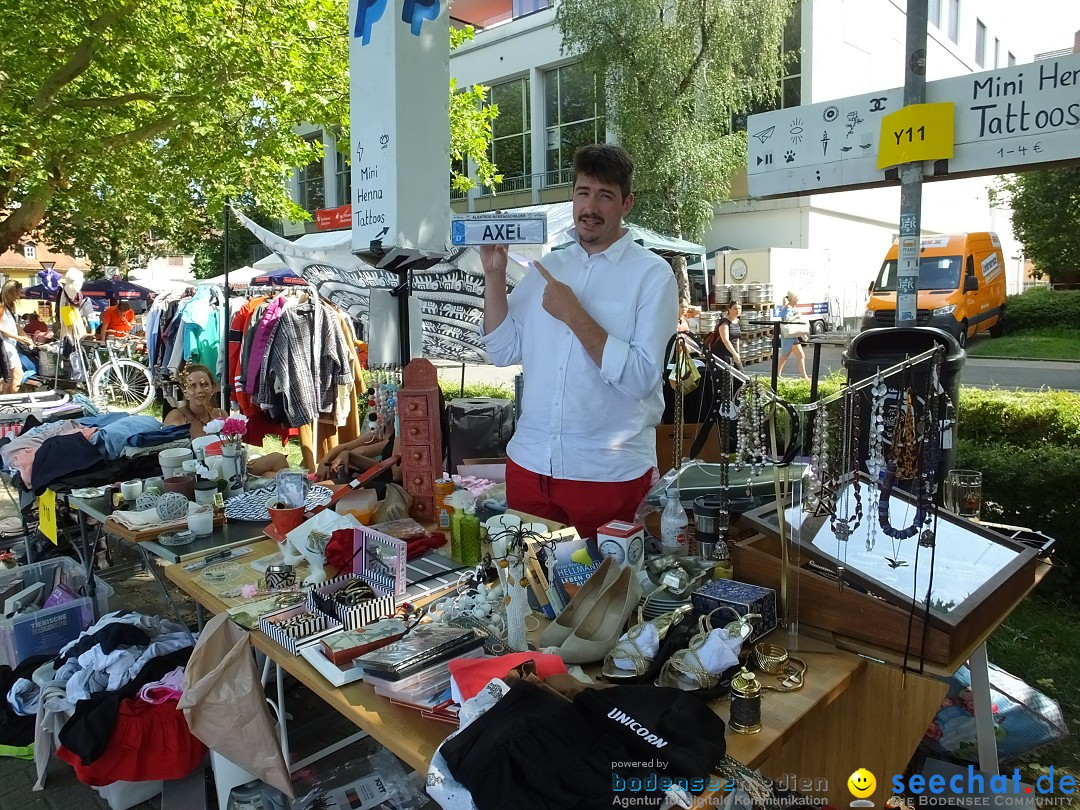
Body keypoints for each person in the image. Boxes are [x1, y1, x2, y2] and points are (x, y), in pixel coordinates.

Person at [479, 143, 678, 541]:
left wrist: (574, 314)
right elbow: (501, 350)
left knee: (605, 595)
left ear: (626, 204)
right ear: (572, 196)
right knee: (529, 592)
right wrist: (495, 275)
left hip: (606, 473)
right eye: (583, 192)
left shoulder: (652, 275)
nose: (591, 206)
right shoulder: (548, 267)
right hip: (530, 464)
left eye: (605, 196)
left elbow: (642, 379)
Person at [163, 363, 289, 475]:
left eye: (204, 385)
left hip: (231, 467)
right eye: (193, 386)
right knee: (271, 477)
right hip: (199, 474)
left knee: (278, 460)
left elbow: (234, 446)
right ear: (185, 392)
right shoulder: (177, 417)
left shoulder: (220, 414)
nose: (199, 390)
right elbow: (170, 459)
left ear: (213, 388)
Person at [0, 281, 31, 394]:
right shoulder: (1, 307)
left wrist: (25, 337)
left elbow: (15, 325)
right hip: (5, 346)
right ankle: (11, 403)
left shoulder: (9, 307)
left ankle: (7, 403)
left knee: (11, 378)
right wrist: (19, 338)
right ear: (10, 292)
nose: (18, 297)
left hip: (10, 346)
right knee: (17, 376)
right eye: (17, 294)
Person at [777, 291, 809, 379]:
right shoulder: (788, 309)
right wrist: (797, 315)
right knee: (798, 355)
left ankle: (778, 374)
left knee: (787, 355)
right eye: (797, 299)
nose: (797, 301)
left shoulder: (789, 308)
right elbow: (787, 320)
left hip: (791, 336)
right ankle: (804, 376)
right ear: (793, 299)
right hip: (789, 337)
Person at [704, 301, 743, 368]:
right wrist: (734, 354)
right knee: (727, 376)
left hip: (733, 352)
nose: (738, 311)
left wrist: (737, 352)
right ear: (729, 309)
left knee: (740, 374)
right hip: (722, 354)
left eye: (739, 309)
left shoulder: (737, 321)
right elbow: (725, 340)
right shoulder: (724, 323)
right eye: (735, 308)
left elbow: (737, 338)